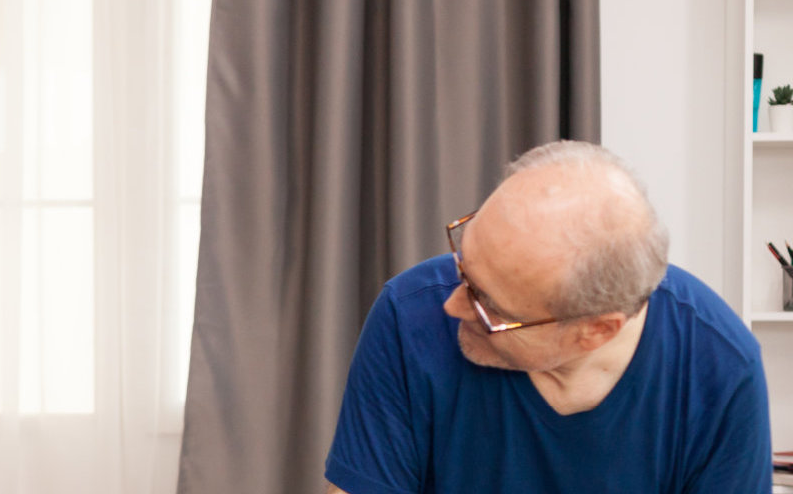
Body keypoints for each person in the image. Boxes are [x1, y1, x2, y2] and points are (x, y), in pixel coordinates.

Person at [323, 141, 771, 493]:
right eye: (464, 264)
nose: (452, 305)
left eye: (488, 305)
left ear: (595, 331)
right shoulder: (409, 314)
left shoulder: (722, 369)